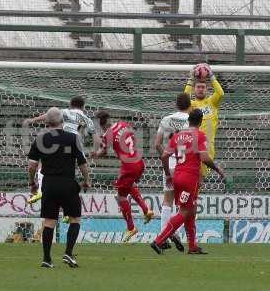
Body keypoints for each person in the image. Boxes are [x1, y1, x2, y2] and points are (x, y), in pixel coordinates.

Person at [150, 109, 225, 255]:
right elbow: (204, 158)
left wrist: (168, 174)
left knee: (191, 210)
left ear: (189, 120)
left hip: (177, 176)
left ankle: (192, 246)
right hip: (190, 178)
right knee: (184, 211)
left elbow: (164, 156)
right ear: (201, 121)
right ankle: (159, 240)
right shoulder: (199, 135)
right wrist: (218, 169)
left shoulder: (177, 136)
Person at [28, 107, 90, 268]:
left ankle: (47, 259)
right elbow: (82, 163)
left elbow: (32, 166)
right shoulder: (72, 138)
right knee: (75, 219)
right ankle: (68, 253)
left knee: (49, 222)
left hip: (49, 184)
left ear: (47, 122)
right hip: (68, 183)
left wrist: (32, 183)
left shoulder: (40, 139)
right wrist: (86, 180)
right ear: (62, 121)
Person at [91, 111, 154, 243]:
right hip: (139, 162)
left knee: (121, 197)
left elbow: (104, 151)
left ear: (101, 125)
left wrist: (96, 154)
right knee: (128, 186)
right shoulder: (123, 124)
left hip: (129, 166)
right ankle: (146, 210)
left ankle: (131, 228)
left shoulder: (108, 134)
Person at [24, 96, 95, 208]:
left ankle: (41, 190)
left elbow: (49, 116)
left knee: (44, 163)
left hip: (58, 138)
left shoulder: (66, 112)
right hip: (74, 143)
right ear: (83, 107)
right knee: (70, 170)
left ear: (71, 105)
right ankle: (67, 209)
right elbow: (92, 136)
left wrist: (33, 120)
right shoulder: (88, 119)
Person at [155, 93, 191, 251]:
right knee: (184, 204)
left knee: (167, 200)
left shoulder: (166, 119)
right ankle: (174, 233)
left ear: (176, 105)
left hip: (169, 163)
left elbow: (157, 144)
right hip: (184, 165)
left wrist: (167, 154)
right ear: (189, 105)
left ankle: (163, 236)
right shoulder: (192, 121)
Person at [184, 63, 224, 177]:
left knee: (199, 180)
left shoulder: (212, 102)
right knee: (194, 179)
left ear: (207, 89)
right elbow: (184, 97)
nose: (200, 89)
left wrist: (211, 76)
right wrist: (191, 79)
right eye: (198, 87)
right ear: (194, 89)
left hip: (207, 147)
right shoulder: (191, 105)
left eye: (203, 87)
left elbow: (220, 93)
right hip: (192, 147)